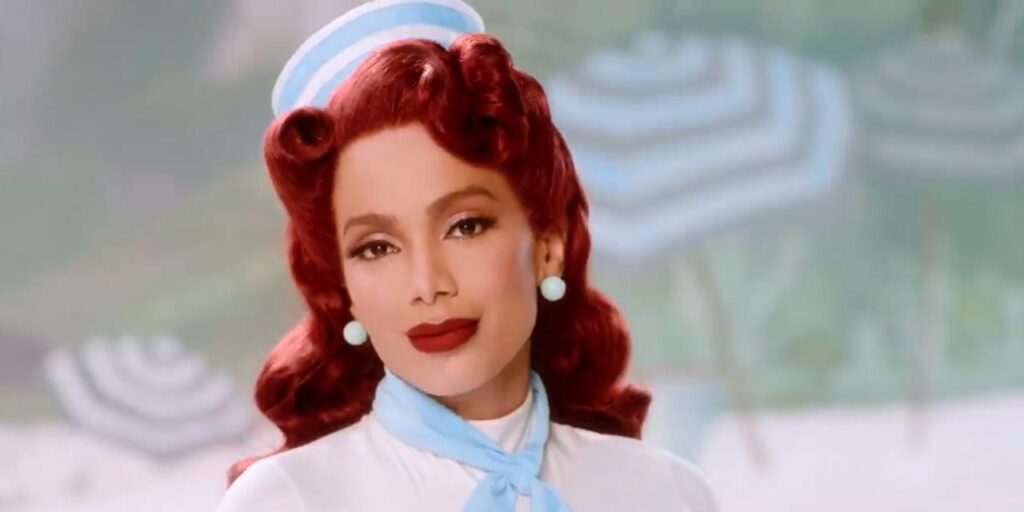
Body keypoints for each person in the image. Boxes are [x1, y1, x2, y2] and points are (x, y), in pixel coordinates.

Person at [216, 1, 719, 510]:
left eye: (465, 226)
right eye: (377, 247)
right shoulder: (285, 500)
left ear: (548, 247)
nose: (427, 284)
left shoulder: (665, 493)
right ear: (344, 288)